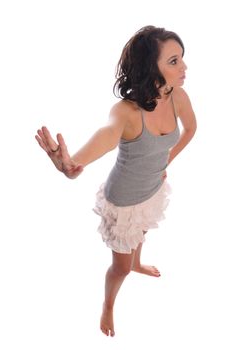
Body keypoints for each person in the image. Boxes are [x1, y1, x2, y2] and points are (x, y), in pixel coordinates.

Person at [35, 25, 197, 337]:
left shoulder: (178, 97)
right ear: (151, 67)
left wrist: (167, 161)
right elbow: (106, 136)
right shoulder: (126, 112)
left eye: (182, 59)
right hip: (123, 201)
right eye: (174, 61)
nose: (185, 67)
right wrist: (71, 164)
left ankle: (137, 262)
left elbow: (190, 130)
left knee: (143, 233)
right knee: (120, 265)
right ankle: (108, 304)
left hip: (152, 190)